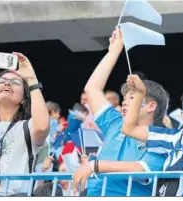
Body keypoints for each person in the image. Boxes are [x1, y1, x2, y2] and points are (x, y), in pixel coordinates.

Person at [72, 27, 168, 196]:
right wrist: (114, 51)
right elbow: (92, 89)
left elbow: (142, 169)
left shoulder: (163, 139)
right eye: (124, 99)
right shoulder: (115, 123)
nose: (124, 103)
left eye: (132, 98)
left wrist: (95, 165)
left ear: (151, 106)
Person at [0, 52, 49, 195]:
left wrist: (31, 79)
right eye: (1, 81)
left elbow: (42, 127)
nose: (7, 83)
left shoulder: (27, 127)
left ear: (24, 98)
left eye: (15, 82)